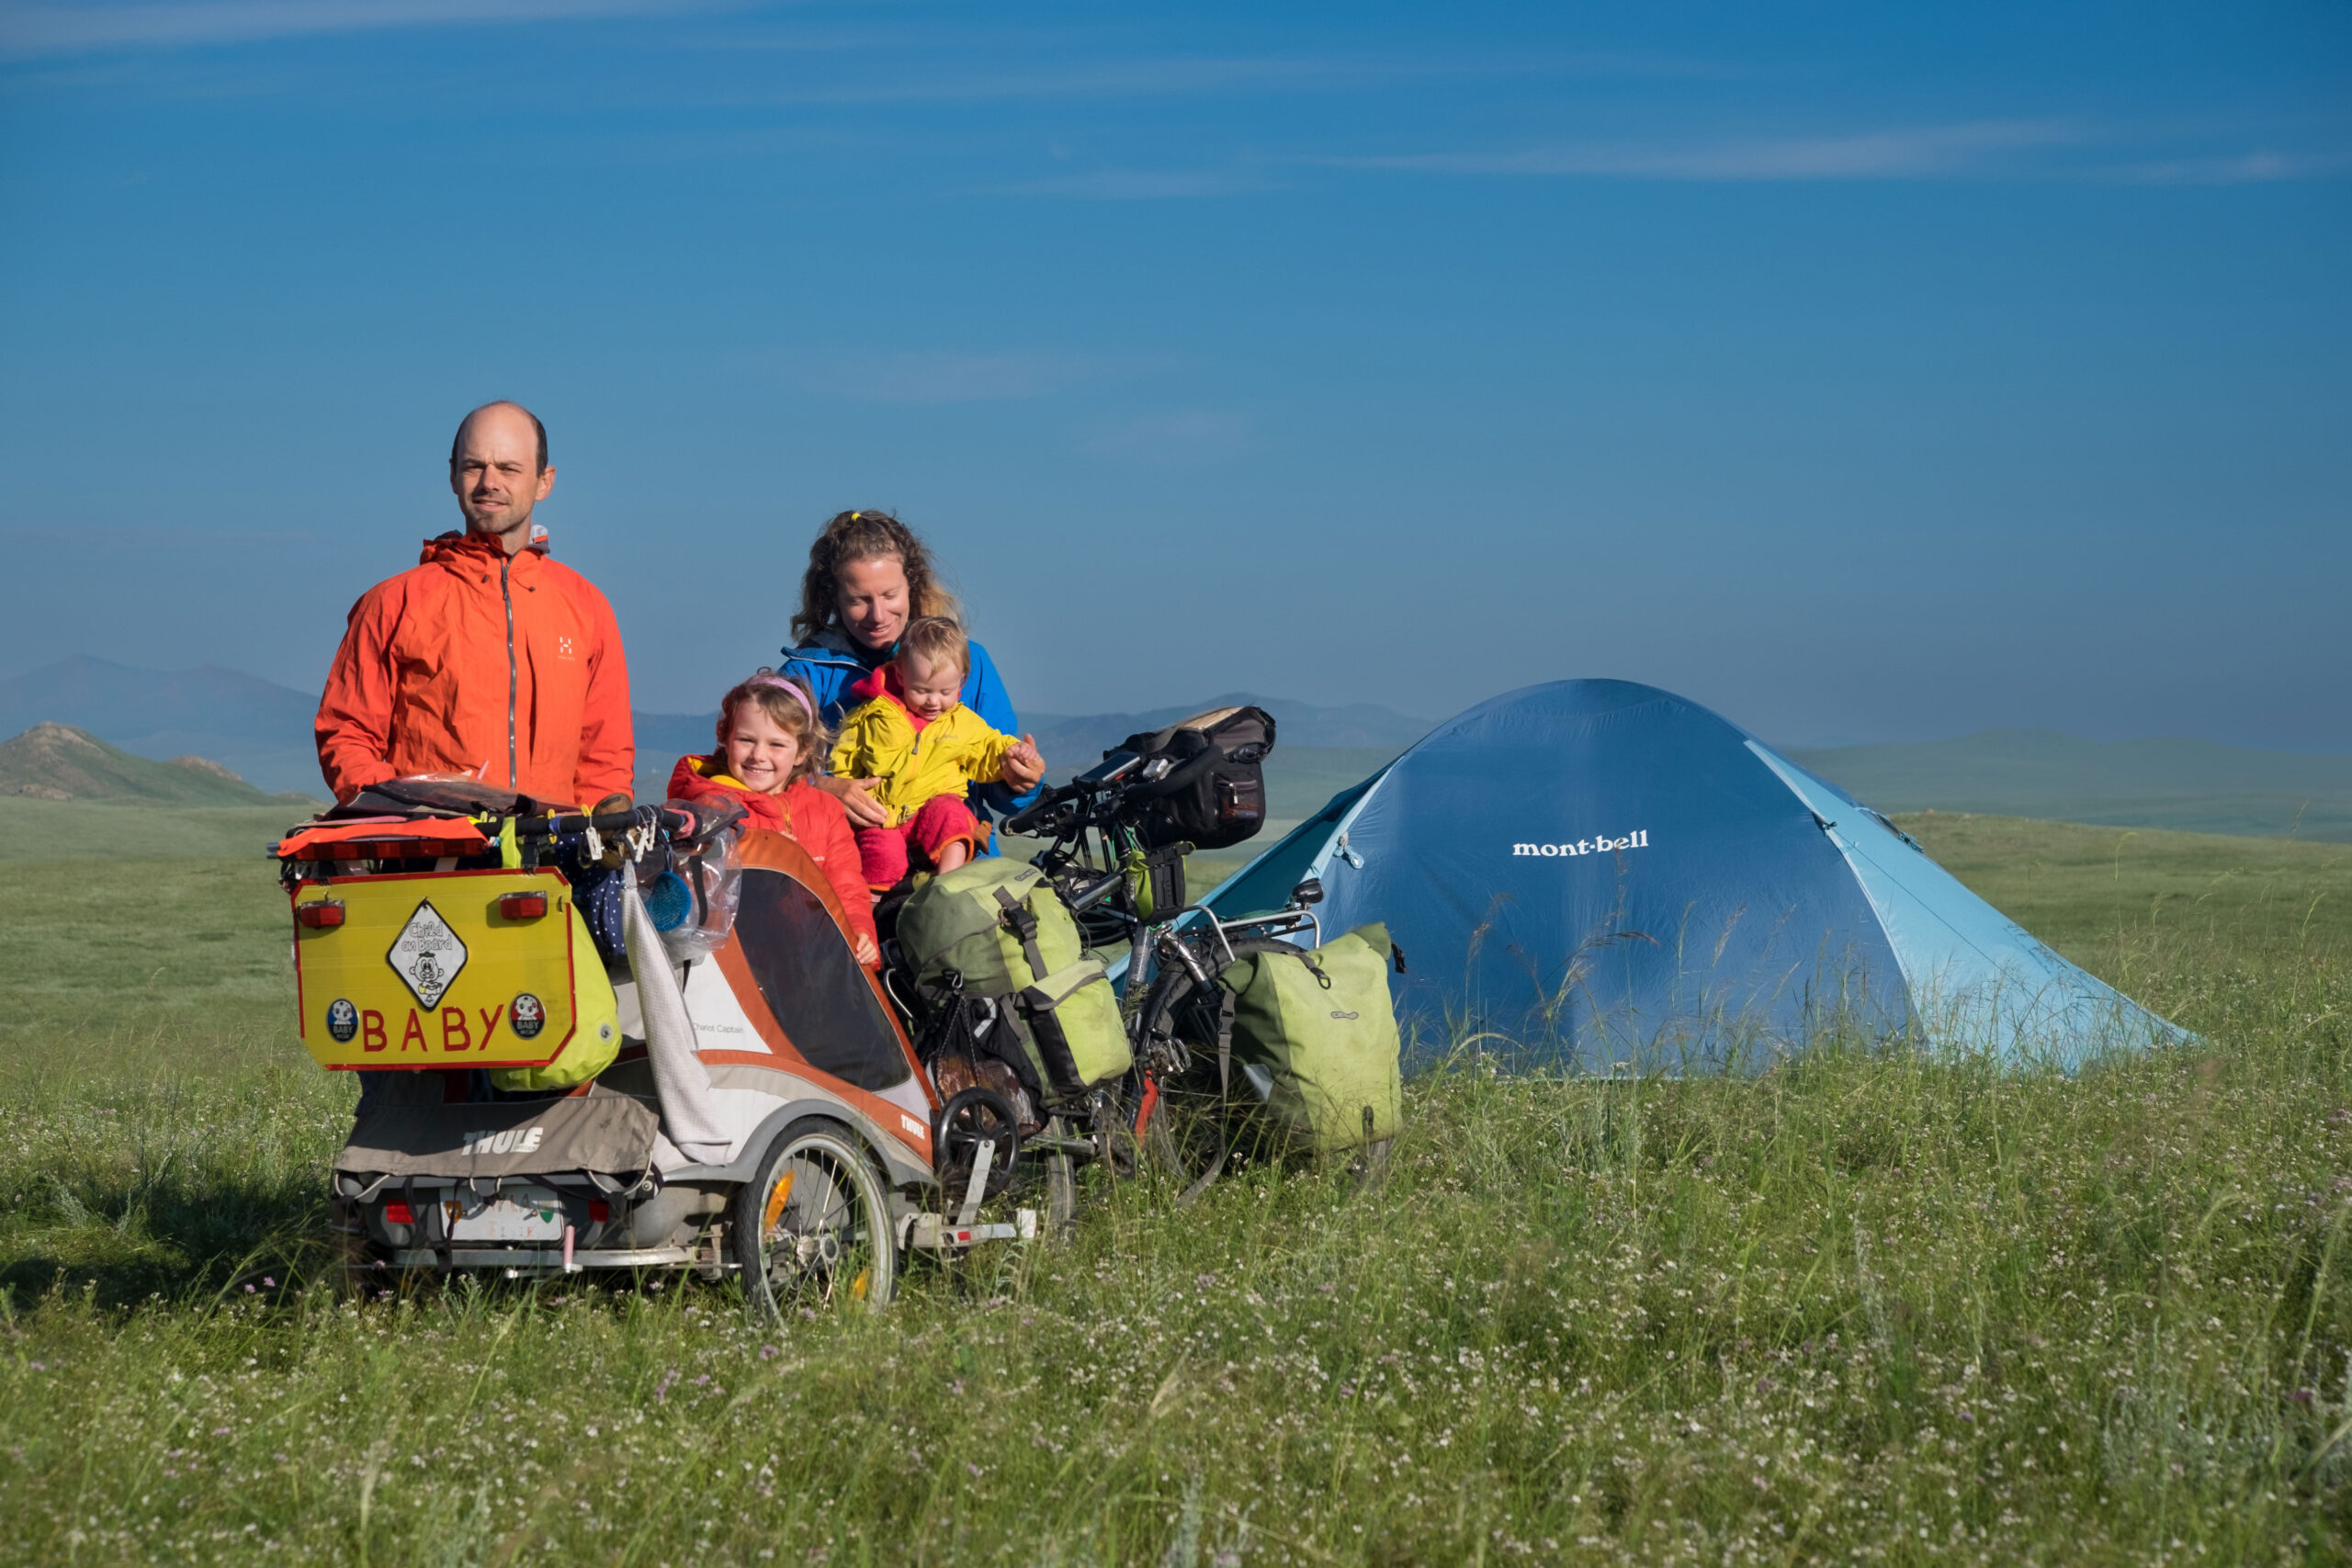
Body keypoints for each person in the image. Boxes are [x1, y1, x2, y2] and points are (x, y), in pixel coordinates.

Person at [315, 400, 632, 808]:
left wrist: (598, 840)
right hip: (432, 859)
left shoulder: (587, 607)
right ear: (452, 475)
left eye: (509, 468)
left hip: (554, 858)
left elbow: (605, 760)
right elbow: (346, 734)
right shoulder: (392, 604)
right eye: (473, 466)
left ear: (544, 481)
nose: (489, 482)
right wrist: (406, 812)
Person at [777, 509, 1037, 840]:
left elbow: (1003, 796)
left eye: (889, 595)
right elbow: (763, 771)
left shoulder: (970, 661)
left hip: (953, 858)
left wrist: (1021, 780)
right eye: (859, 600)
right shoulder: (805, 674)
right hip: (853, 856)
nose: (878, 615)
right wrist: (822, 788)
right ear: (834, 598)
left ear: (911, 586)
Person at [666, 671, 881, 965]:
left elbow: (846, 887)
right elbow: (698, 890)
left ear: (802, 751)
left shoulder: (826, 810)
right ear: (725, 738)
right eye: (746, 740)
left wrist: (858, 930)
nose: (758, 755)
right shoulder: (710, 808)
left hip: (815, 959)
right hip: (740, 966)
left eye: (776, 745)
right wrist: (760, 853)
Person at [829, 617, 1046, 893]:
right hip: (881, 814)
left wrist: (1014, 754)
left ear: (961, 683)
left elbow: (988, 748)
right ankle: (875, 904)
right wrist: (842, 787)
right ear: (900, 677)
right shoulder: (871, 715)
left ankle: (947, 887)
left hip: (931, 810)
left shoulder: (962, 723)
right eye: (921, 691)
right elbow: (844, 757)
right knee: (882, 854)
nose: (933, 702)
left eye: (945, 692)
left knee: (953, 815)